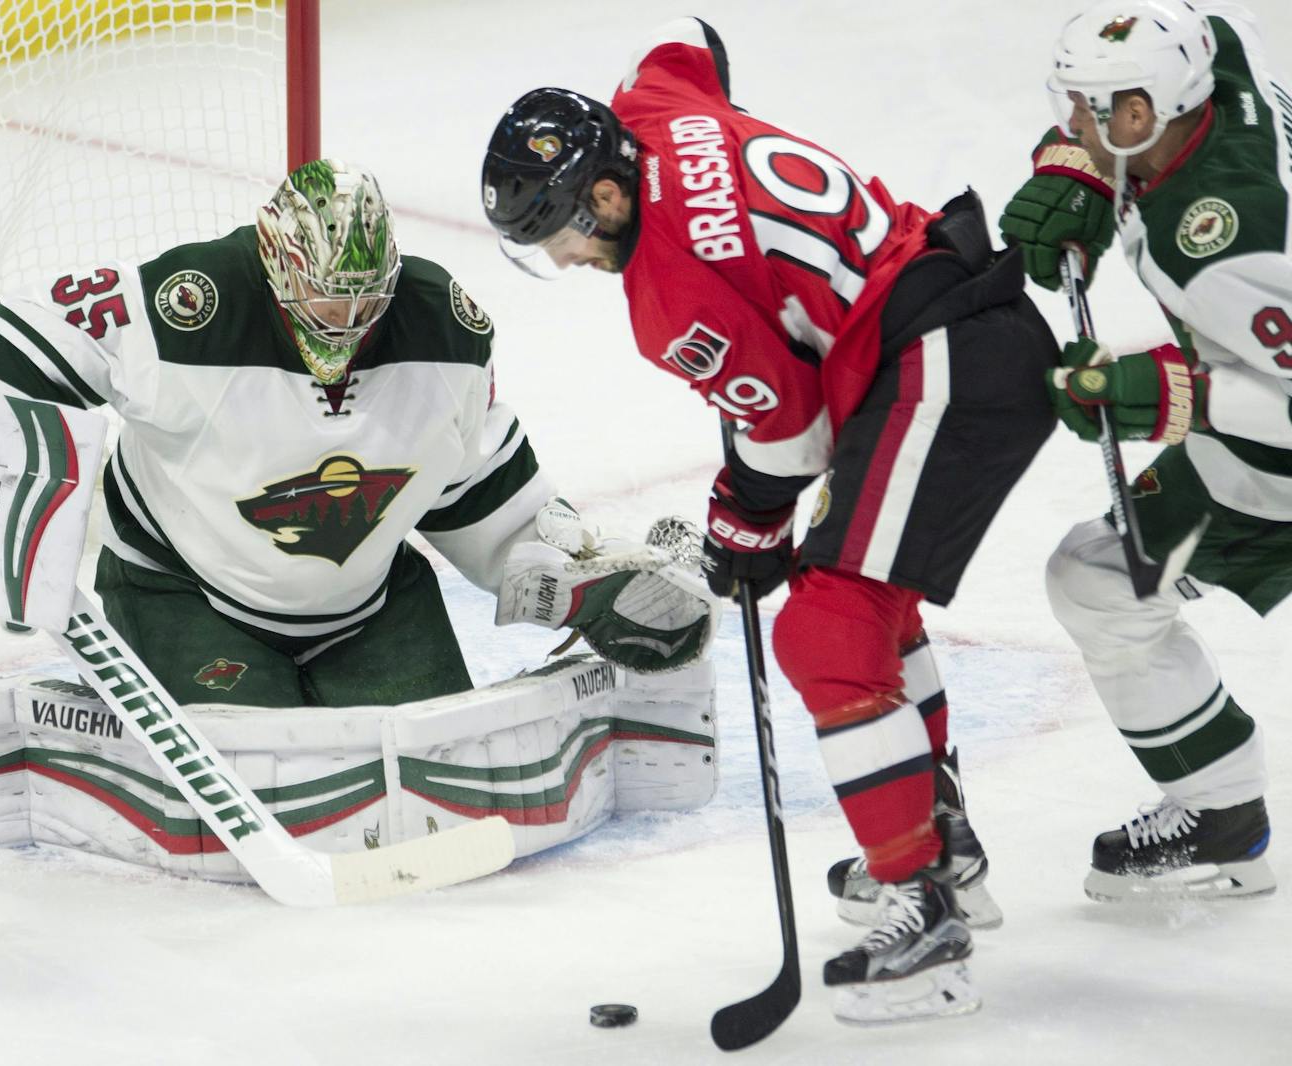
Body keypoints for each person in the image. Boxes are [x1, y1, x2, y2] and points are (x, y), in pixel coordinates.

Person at [481, 18, 1058, 1023]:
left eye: (563, 232)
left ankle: (924, 918)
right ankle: (940, 845)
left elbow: (787, 439)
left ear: (608, 195)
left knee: (822, 629)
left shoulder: (668, 297)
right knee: (869, 605)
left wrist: (739, 526)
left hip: (940, 358)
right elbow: (685, 37)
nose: (567, 257)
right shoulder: (653, 104)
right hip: (952, 321)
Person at [0, 159, 713, 709]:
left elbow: (475, 488)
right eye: (326, 297)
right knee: (252, 760)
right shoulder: (192, 304)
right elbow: (13, 343)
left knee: (436, 754)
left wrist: (575, 581)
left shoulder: (439, 322)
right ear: (276, 265)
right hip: (184, 593)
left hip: (368, 605)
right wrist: (21, 535)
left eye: (366, 299)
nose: (347, 325)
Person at [998, 0, 1282, 902]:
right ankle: (1221, 812)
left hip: (1274, 477)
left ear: (1141, 116)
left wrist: (1159, 392)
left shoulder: (1220, 240)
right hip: (1251, 450)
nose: (1071, 123)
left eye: (1088, 113)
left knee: (1103, 584)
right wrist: (1079, 169)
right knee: (1101, 577)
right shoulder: (1212, 70)